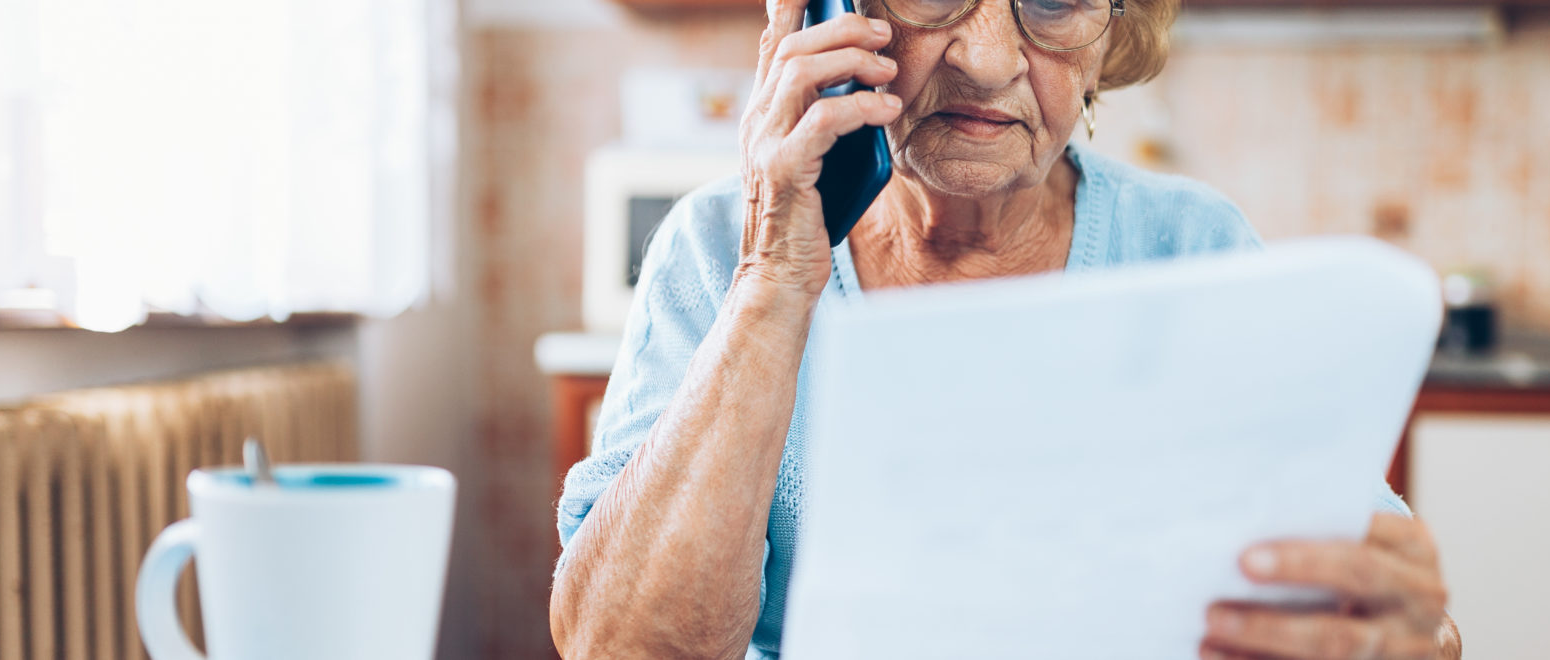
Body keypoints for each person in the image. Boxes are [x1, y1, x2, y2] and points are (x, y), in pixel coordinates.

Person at [550, 0, 1462, 657]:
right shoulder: (722, 247)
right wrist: (775, 280)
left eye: (1055, 3)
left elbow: (1388, 613)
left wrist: (1402, 633)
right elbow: (619, 647)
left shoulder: (1195, 246)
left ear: (1115, 36)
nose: (987, 58)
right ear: (826, 16)